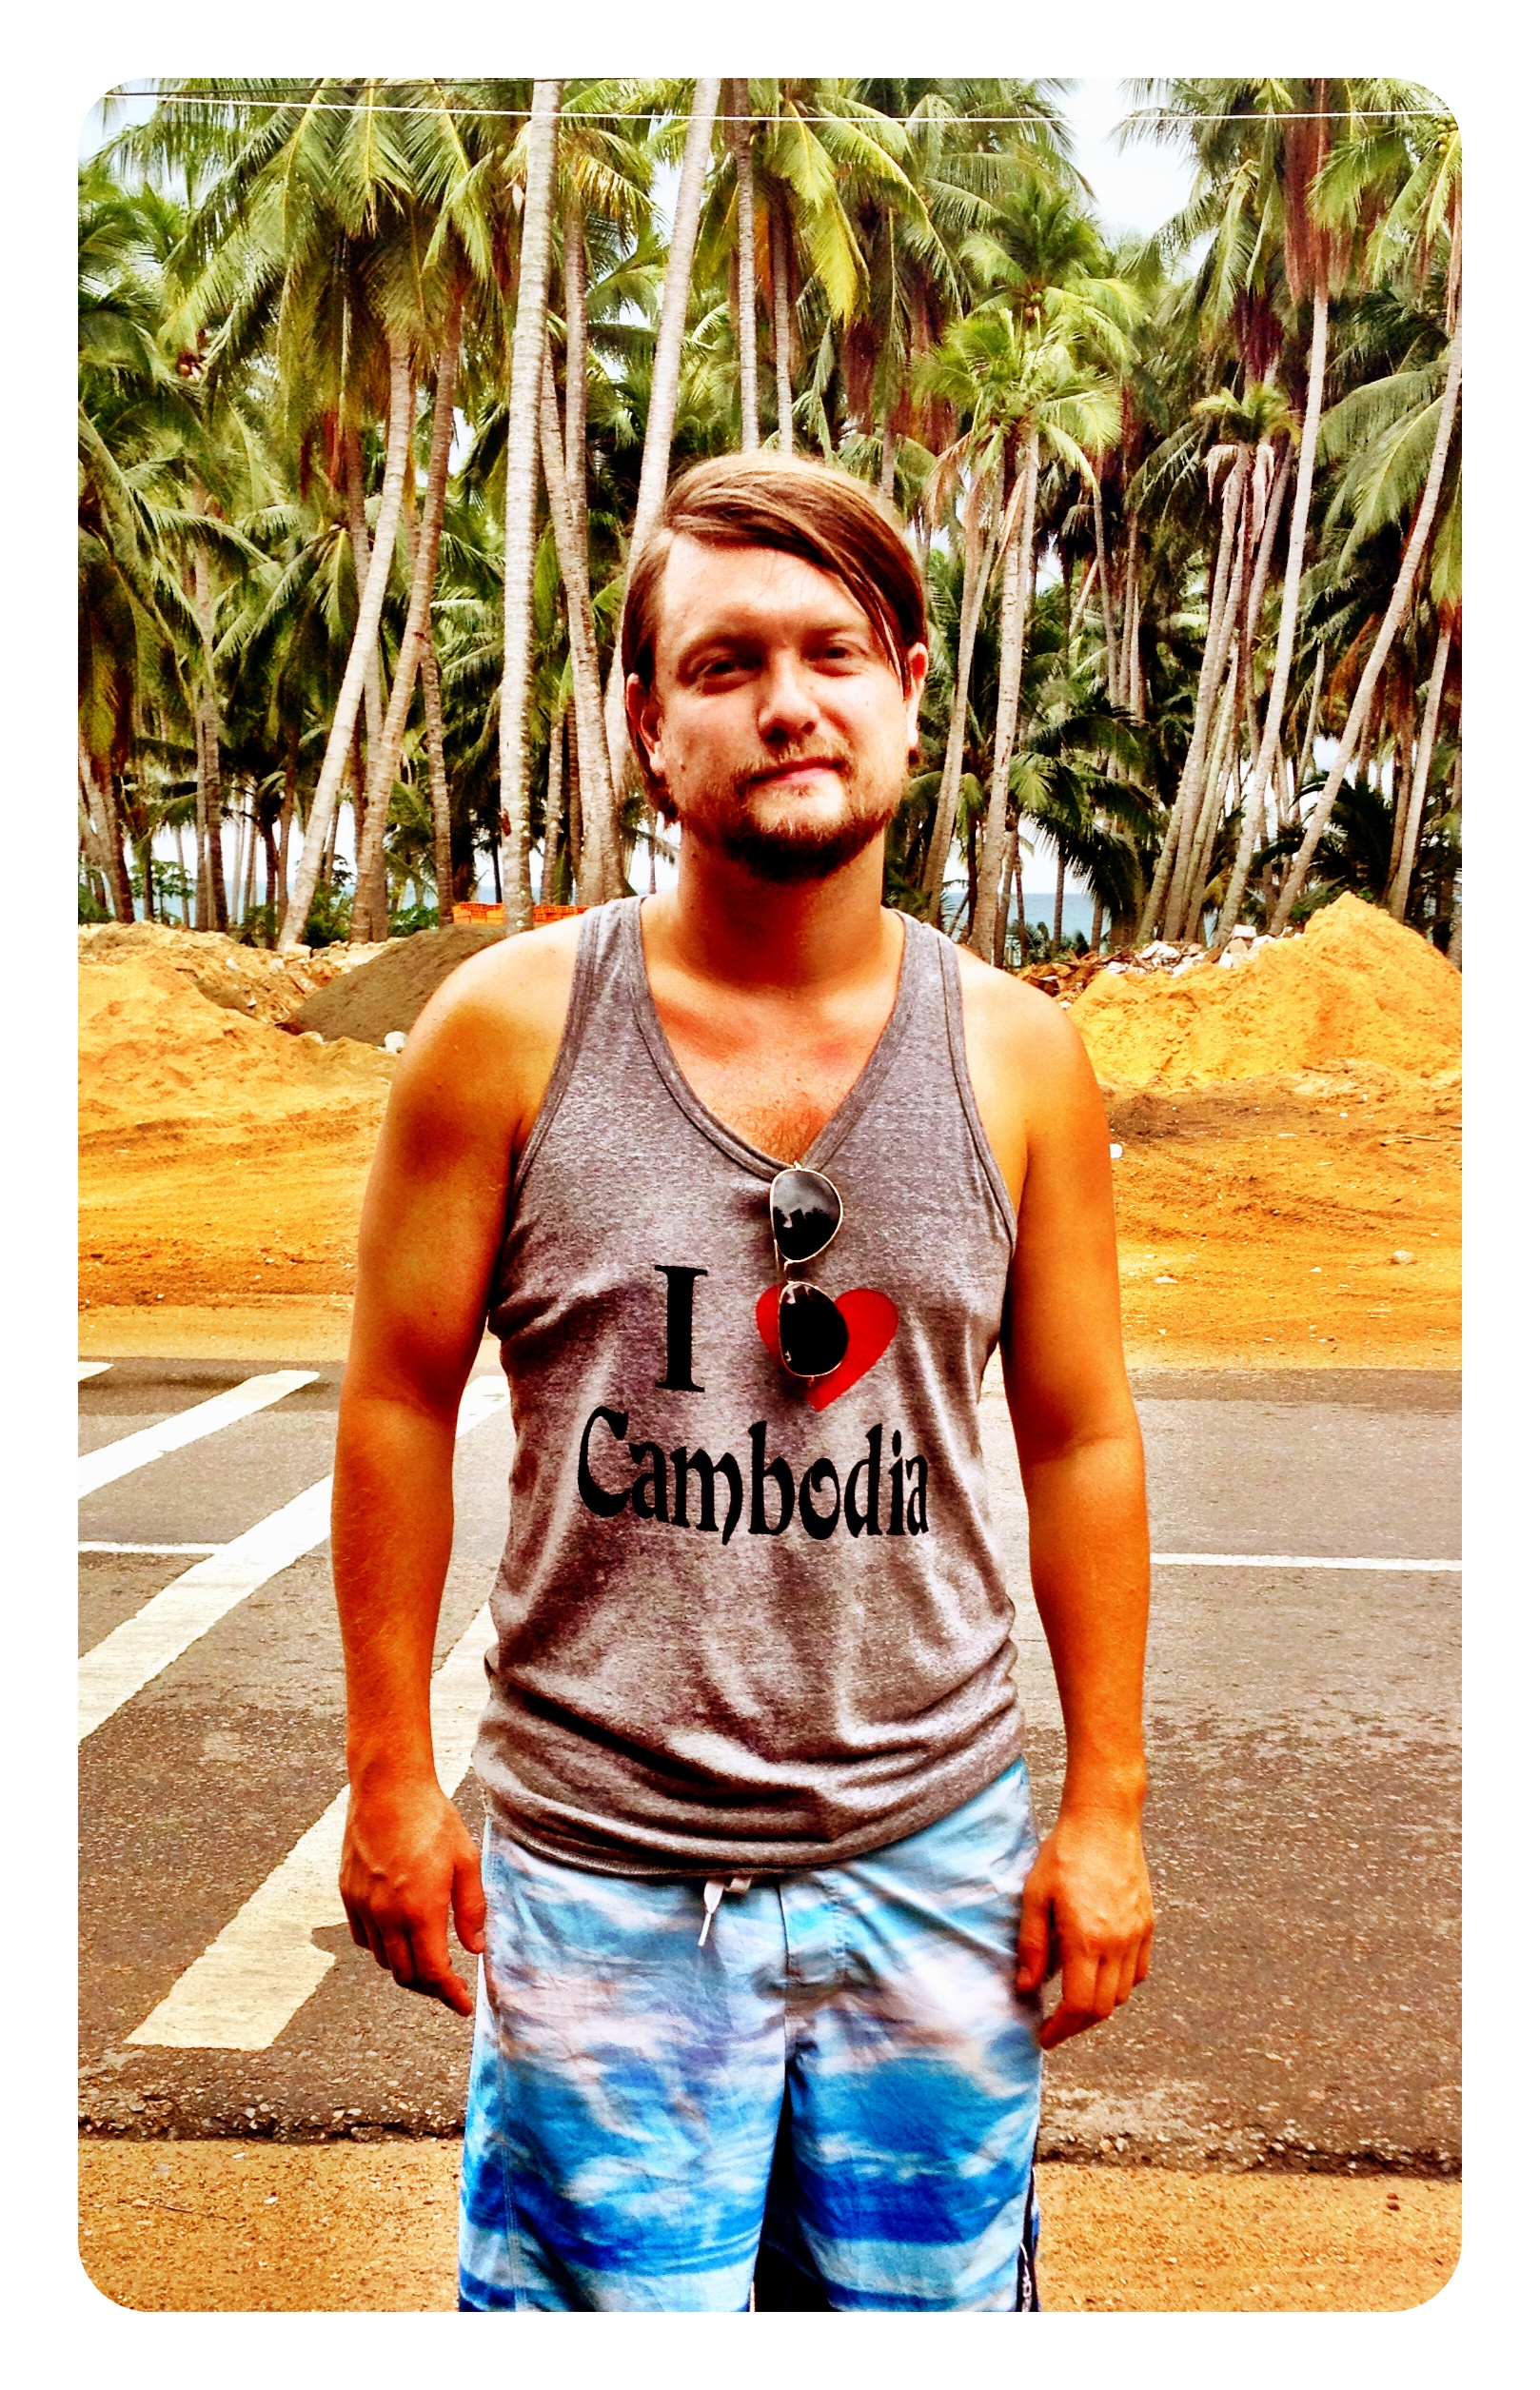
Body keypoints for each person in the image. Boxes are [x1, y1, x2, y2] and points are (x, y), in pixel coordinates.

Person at [333, 453, 1154, 2313]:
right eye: (724, 664)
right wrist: (390, 1780)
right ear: (645, 723)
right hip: (599, 1879)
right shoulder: (501, 1036)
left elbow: (1082, 1437)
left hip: (931, 1869)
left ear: (909, 689)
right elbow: (391, 1399)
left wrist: (1102, 1808)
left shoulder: (1018, 1057)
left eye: (832, 651)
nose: (789, 702)